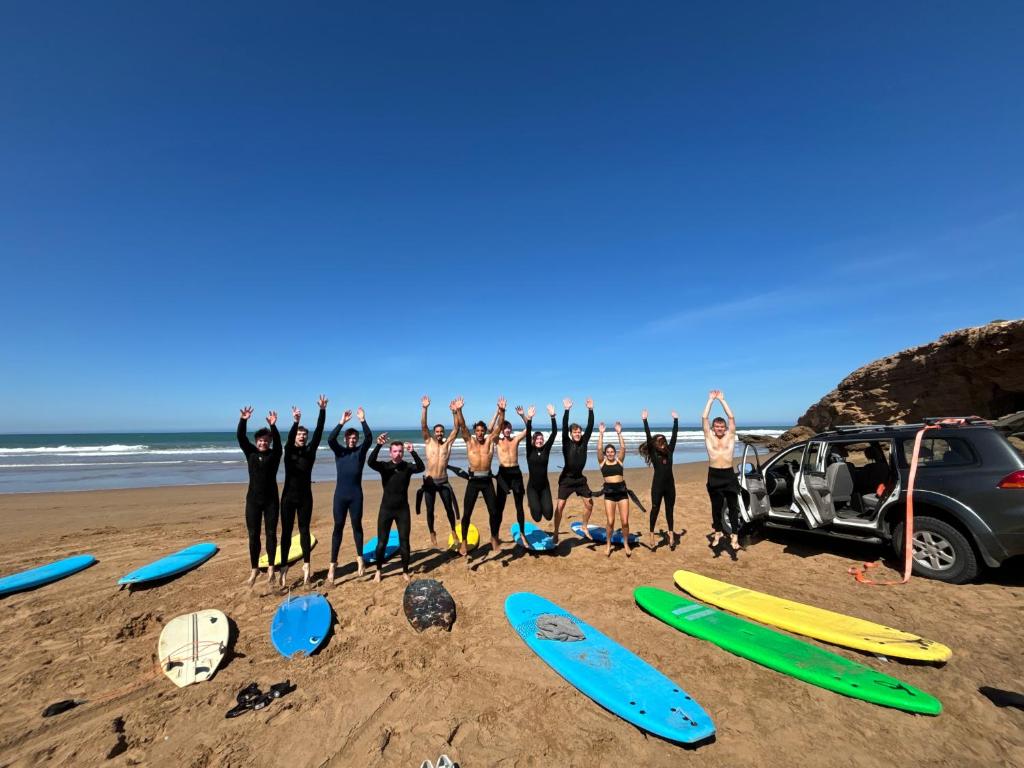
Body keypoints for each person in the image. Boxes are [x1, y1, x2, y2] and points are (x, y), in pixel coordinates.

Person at [279, 395, 328, 585]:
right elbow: (289, 439)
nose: (302, 436)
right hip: (288, 498)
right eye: (299, 434)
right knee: (286, 533)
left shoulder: (310, 450)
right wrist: (295, 422)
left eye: (304, 435)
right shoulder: (289, 451)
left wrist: (322, 410)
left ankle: (307, 565)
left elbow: (319, 431)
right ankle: (283, 567)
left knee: (305, 530)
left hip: (305, 497)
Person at [367, 434, 424, 582]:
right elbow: (370, 462)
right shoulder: (385, 467)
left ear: (402, 453)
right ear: (390, 452)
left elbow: (421, 467)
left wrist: (413, 451)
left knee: (404, 541)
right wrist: (378, 445)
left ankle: (405, 571)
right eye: (395, 451)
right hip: (386, 509)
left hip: (402, 510)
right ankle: (378, 570)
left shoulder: (407, 467)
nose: (398, 453)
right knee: (382, 542)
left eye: (400, 451)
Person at [454, 396, 506, 557]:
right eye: (477, 431)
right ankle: (463, 541)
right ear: (475, 431)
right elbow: (462, 426)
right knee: (467, 513)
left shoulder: (490, 440)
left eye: (482, 431)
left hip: (487, 481)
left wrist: (502, 411)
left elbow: (499, 427)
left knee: (495, 512)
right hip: (473, 481)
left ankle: (494, 537)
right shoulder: (469, 441)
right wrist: (459, 410)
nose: (480, 433)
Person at [236, 406, 282, 587]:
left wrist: (273, 427)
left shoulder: (275, 454)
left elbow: (278, 443)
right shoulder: (251, 453)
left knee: (271, 534)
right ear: (256, 442)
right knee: (253, 535)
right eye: (260, 441)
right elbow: (240, 437)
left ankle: (271, 566)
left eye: (266, 440)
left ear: (269, 442)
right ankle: (254, 569)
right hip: (253, 501)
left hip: (271, 501)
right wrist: (243, 420)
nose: (263, 443)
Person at [326, 406, 372, 584]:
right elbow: (330, 439)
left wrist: (362, 420)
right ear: (345, 439)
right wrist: (341, 422)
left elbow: (369, 438)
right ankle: (332, 565)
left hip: (356, 496)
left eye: (354, 438)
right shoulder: (340, 451)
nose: (352, 440)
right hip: (340, 496)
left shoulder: (360, 452)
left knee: (356, 526)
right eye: (349, 438)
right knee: (338, 527)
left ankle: (360, 559)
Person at [416, 395, 462, 548]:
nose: (439, 433)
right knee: (430, 510)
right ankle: (432, 531)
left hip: (443, 481)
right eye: (437, 431)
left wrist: (455, 412)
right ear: (434, 432)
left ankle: (453, 531)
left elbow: (456, 429)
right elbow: (423, 426)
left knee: (449, 508)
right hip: (429, 482)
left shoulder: (448, 444)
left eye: (441, 431)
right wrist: (424, 408)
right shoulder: (428, 441)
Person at [702, 390, 742, 551]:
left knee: (733, 507)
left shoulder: (729, 436)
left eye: (721, 426)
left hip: (728, 475)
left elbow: (731, 418)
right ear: (713, 428)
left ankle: (734, 536)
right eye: (717, 426)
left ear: (725, 428)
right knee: (716, 507)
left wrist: (723, 400)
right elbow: (704, 418)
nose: (719, 428)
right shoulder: (709, 437)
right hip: (714, 475)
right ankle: (718, 532)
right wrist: (710, 401)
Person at [553, 397, 595, 544]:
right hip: (566, 479)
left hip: (579, 479)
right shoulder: (566, 442)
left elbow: (590, 426)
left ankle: (584, 526)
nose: (577, 434)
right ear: (571, 434)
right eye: (575, 432)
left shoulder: (584, 441)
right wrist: (566, 410)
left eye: (579, 432)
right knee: (560, 507)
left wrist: (590, 410)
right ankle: (556, 532)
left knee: (589, 504)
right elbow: (564, 426)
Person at [639, 408, 680, 549]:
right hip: (657, 486)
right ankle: (651, 533)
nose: (662, 443)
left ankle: (671, 534)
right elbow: (648, 435)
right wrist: (645, 420)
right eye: (659, 441)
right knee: (655, 509)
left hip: (670, 486)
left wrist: (676, 420)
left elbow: (675, 436)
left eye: (663, 441)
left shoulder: (670, 451)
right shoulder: (653, 452)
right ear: (656, 444)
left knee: (670, 510)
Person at [496, 406, 530, 550]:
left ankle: (522, 533)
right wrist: (500, 414)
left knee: (519, 506)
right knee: (500, 507)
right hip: (503, 475)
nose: (508, 430)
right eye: (505, 428)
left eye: (509, 427)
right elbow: (494, 429)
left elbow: (528, 429)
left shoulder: (515, 440)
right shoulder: (497, 441)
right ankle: (496, 535)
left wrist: (523, 416)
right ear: (502, 430)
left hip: (515, 474)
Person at [597, 421, 633, 557]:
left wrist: (619, 433)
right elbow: (599, 449)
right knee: (610, 522)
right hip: (609, 494)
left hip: (622, 492)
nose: (610, 453)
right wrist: (601, 434)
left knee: (624, 521)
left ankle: (625, 543)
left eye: (612, 451)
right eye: (608, 452)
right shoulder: (602, 462)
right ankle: (608, 544)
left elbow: (623, 447)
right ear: (606, 454)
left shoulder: (619, 460)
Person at [525, 404, 558, 525]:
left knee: (549, 515)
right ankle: (532, 502)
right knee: (537, 517)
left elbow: (554, 433)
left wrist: (552, 416)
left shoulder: (546, 450)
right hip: (532, 487)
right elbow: (528, 433)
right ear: (533, 441)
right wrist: (529, 418)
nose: (539, 441)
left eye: (541, 439)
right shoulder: (530, 450)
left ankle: (538, 502)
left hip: (544, 487)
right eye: (537, 439)